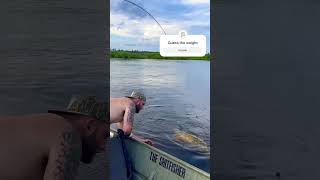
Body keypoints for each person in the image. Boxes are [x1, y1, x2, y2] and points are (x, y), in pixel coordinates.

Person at [0, 96, 108, 180]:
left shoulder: (36, 129)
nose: (103, 147)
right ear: (89, 126)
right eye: (105, 135)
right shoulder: (68, 135)